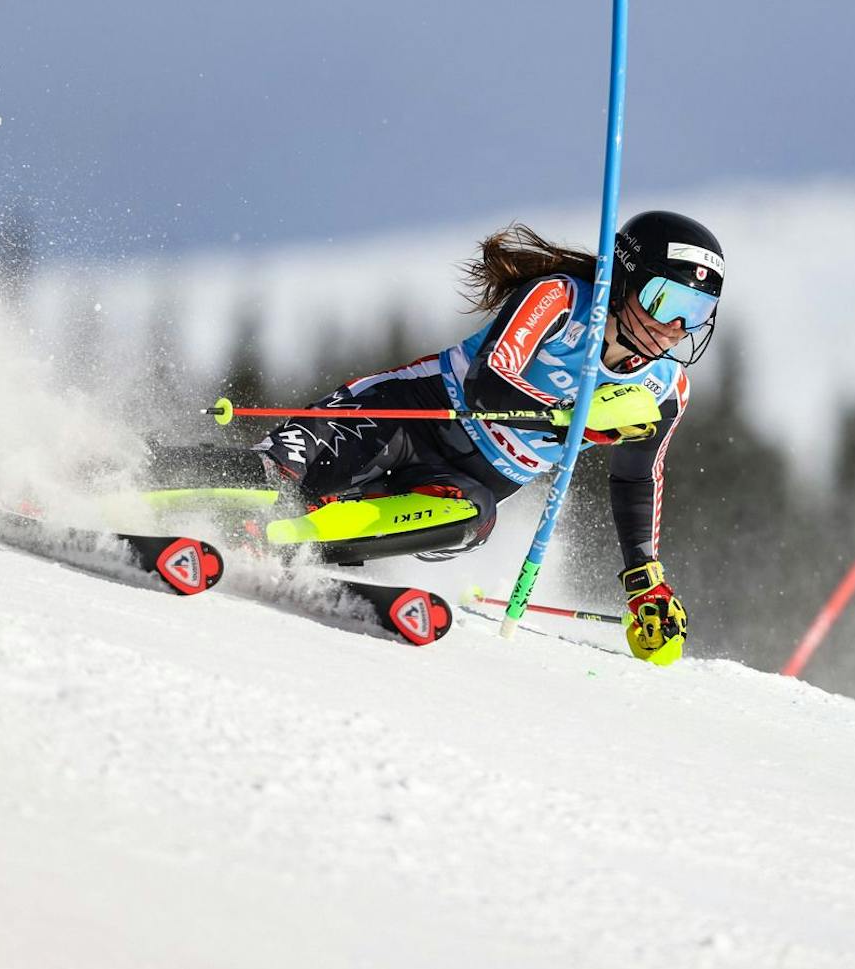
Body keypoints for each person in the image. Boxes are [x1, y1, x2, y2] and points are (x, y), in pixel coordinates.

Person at [146, 210, 724, 663]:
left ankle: (276, 540)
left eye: (695, 310)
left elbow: (636, 477)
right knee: (279, 477)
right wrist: (573, 416)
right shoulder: (560, 299)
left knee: (469, 521)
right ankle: (122, 470)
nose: (674, 326)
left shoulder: (666, 387)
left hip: (473, 478)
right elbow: (488, 386)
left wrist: (644, 579)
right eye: (664, 299)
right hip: (409, 414)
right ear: (623, 281)